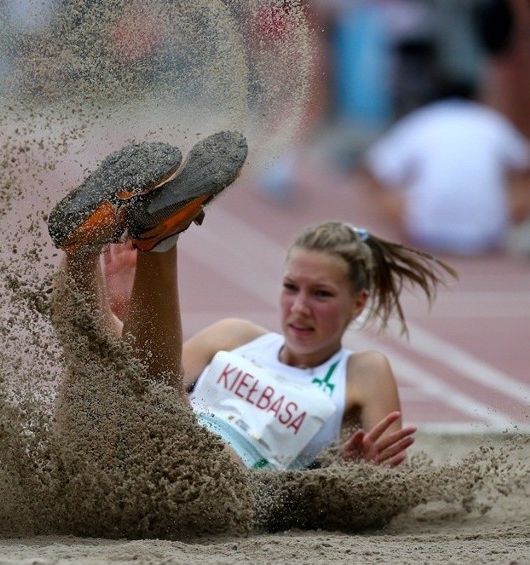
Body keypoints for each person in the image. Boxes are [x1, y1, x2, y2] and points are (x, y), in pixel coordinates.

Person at [46, 131, 456, 471]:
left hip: (219, 479)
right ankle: (84, 249)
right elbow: (142, 379)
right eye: (291, 287)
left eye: (322, 295)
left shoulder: (363, 372)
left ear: (358, 303)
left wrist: (355, 469)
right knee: (118, 383)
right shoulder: (237, 335)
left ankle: (157, 241)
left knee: (159, 415)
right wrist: (121, 306)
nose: (300, 306)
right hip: (147, 443)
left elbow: (386, 482)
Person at [360, 78, 530, 256]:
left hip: (426, 232)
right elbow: (525, 164)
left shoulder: (424, 119)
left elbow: (372, 169)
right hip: (489, 234)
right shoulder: (491, 120)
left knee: (376, 185)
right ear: (476, 97)